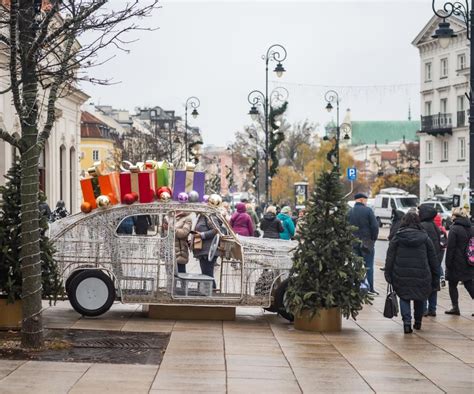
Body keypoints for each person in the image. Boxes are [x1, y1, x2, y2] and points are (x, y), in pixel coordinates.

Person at [384, 211, 440, 333]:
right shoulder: (425, 238)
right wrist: (436, 276)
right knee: (420, 297)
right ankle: (418, 322)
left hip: (401, 273)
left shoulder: (398, 237)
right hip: (422, 274)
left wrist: (388, 273)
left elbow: (390, 257)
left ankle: (407, 324)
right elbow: (433, 259)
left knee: (404, 297)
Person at [444, 207, 474, 316]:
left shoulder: (454, 229)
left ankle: (455, 307)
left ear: (456, 216)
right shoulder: (471, 228)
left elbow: (450, 248)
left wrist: (447, 264)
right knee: (469, 284)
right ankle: (455, 308)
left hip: (456, 262)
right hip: (469, 260)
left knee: (452, 285)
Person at [349, 193, 379, 294]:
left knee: (356, 266)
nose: (366, 202)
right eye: (365, 200)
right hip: (367, 243)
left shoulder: (349, 211)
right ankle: (370, 288)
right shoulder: (368, 211)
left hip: (353, 242)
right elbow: (375, 226)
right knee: (369, 266)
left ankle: (358, 287)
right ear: (361, 200)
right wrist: (373, 239)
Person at [418, 204, 444, 316]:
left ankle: (423, 309)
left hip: (425, 261)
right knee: (433, 286)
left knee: (424, 286)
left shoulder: (421, 226)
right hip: (435, 260)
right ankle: (432, 309)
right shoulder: (435, 227)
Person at [193, 214, 218, 288]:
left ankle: (211, 292)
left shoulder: (209, 216)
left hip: (208, 251)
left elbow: (216, 230)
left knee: (208, 274)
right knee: (206, 274)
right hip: (203, 251)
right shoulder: (200, 217)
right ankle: (208, 292)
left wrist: (202, 235)